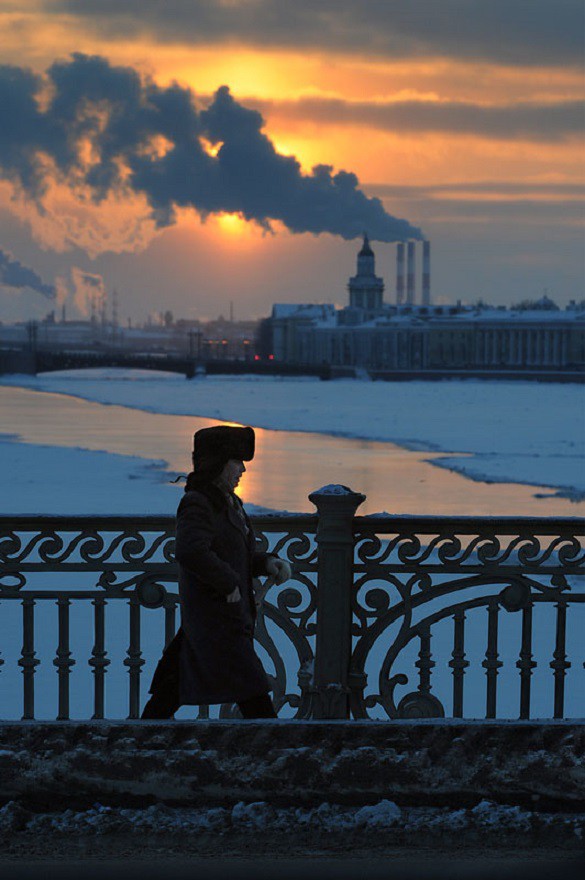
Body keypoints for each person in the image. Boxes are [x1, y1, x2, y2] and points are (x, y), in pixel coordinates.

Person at [142, 425, 291, 720]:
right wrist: (227, 583)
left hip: (220, 617)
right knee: (252, 690)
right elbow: (191, 550)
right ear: (219, 464)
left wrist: (266, 563)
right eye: (237, 462)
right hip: (217, 617)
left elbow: (233, 554)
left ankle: (140, 739)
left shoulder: (228, 502)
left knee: (175, 683)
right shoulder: (199, 502)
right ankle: (276, 749)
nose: (243, 470)